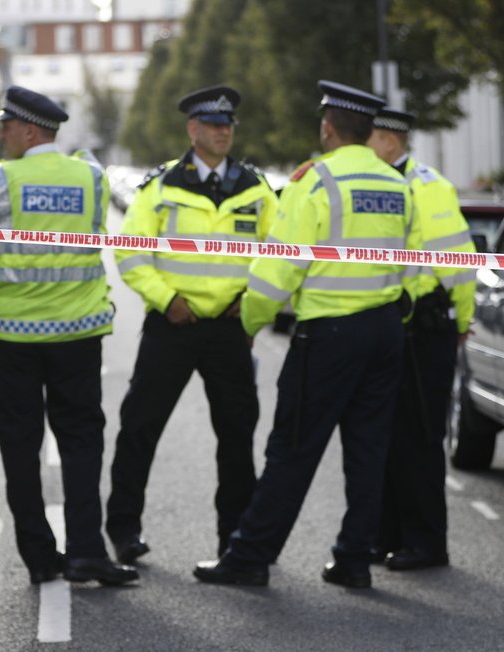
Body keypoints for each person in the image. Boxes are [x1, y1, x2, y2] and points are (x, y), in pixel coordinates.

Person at [194, 80, 421, 589]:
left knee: (292, 449)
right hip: (384, 332)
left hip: (328, 336)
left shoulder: (315, 183)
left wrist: (250, 320)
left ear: (327, 127)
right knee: (368, 452)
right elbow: (415, 263)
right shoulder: (396, 184)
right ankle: (354, 560)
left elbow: (278, 271)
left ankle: (249, 556)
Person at [0, 85, 138, 586]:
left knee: (20, 450)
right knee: (83, 446)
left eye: (7, 126)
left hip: (11, 340)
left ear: (30, 130)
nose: (1, 133)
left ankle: (40, 558)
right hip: (79, 336)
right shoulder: (92, 177)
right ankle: (86, 552)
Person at [106, 85, 279, 565]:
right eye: (214, 126)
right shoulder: (161, 187)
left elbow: (280, 256)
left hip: (230, 329)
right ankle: (124, 531)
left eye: (228, 126)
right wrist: (167, 300)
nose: (224, 134)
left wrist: (251, 306)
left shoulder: (256, 189)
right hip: (172, 325)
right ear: (193, 129)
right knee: (139, 428)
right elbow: (131, 252)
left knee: (238, 436)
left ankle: (235, 540)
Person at [368, 107, 476, 570]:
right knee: (385, 437)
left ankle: (427, 543)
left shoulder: (426, 185)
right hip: (387, 327)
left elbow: (458, 261)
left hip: (423, 330)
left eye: (368, 136)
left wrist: (461, 321)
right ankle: (387, 536)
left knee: (420, 438)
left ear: (391, 142)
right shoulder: (374, 180)